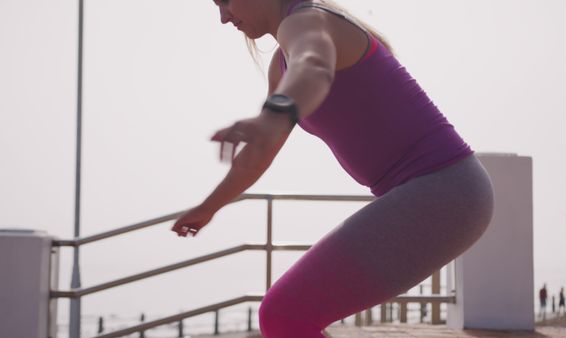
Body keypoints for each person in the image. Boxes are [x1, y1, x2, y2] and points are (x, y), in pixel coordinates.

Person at [172, 0, 494, 337]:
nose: (223, 17)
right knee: (288, 316)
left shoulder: (306, 20)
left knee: (285, 314)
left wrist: (273, 115)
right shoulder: (282, 63)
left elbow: (314, 67)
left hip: (442, 190)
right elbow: (259, 152)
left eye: (225, 0)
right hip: (442, 192)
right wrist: (209, 207)